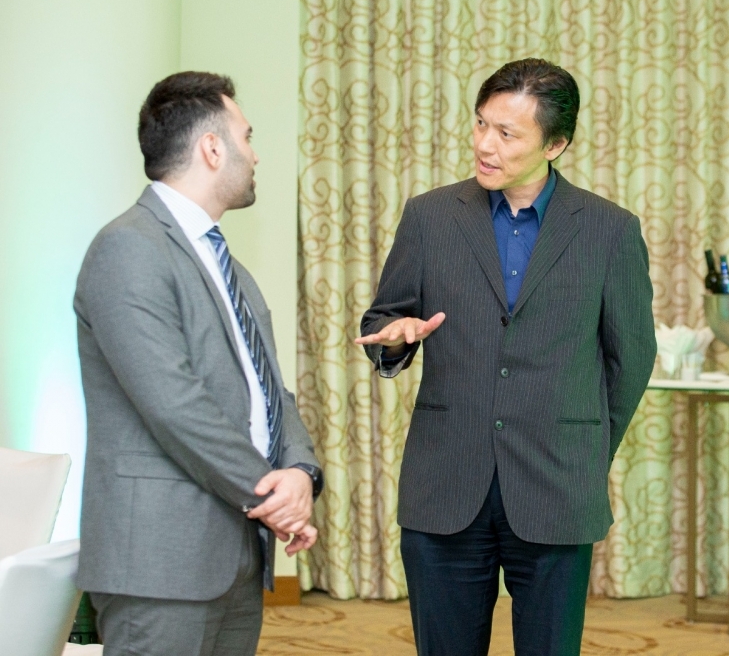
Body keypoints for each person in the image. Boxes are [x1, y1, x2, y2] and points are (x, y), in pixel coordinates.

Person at [356, 58, 656, 656]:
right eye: (481, 124)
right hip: (446, 484)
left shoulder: (609, 230)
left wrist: (585, 447)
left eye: (507, 133)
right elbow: (383, 320)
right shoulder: (430, 216)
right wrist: (395, 339)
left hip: (555, 488)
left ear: (555, 145)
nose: (484, 145)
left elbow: (631, 358)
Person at [74, 71, 324, 656]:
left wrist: (300, 472)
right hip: (159, 562)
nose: (254, 154)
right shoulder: (128, 247)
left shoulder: (228, 265)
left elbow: (270, 392)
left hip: (236, 552)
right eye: (247, 136)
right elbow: (174, 404)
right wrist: (272, 496)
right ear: (212, 148)